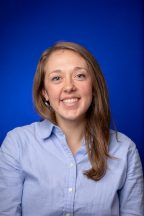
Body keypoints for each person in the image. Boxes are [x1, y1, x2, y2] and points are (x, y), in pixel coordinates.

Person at [0, 41, 143, 216]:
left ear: (94, 87)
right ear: (44, 92)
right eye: (56, 78)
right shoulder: (17, 143)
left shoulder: (125, 150)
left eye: (80, 76)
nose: (69, 87)